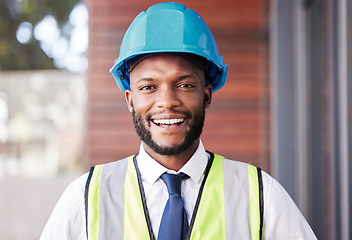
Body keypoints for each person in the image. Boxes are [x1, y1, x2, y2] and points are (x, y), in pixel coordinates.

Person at [41, 2, 317, 240]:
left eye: (184, 85)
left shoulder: (260, 195)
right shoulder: (85, 199)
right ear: (130, 100)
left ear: (206, 95)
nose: (167, 101)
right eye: (149, 87)